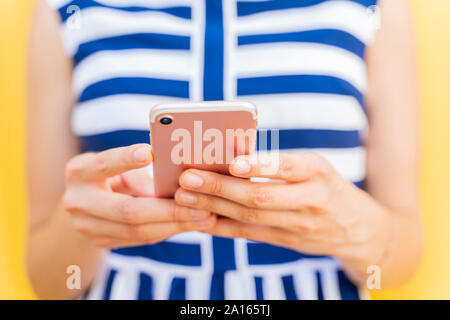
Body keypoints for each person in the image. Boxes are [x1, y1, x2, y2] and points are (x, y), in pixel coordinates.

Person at [26, 0, 423, 300]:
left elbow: (402, 256)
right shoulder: (66, 10)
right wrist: (81, 226)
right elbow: (49, 283)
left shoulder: (373, 7)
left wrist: (357, 229)